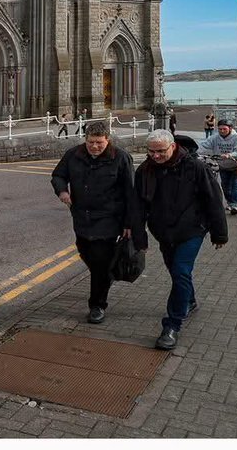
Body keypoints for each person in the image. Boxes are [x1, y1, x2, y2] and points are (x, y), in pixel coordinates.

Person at [133, 128, 228, 350]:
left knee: (180, 271)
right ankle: (189, 300)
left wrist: (219, 233)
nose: (156, 155)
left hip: (192, 230)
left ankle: (172, 325)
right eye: (151, 151)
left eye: (161, 151)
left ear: (173, 146)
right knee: (177, 273)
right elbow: (138, 206)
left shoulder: (195, 167)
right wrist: (139, 237)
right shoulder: (145, 170)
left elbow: (213, 200)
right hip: (163, 232)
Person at [51, 121, 137, 325]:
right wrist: (62, 191)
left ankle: (97, 305)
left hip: (109, 219)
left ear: (108, 140)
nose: (94, 146)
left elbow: (131, 192)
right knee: (86, 253)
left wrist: (129, 223)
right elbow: (58, 175)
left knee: (100, 262)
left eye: (99, 142)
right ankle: (107, 275)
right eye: (91, 142)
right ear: (85, 139)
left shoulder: (121, 158)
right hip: (81, 217)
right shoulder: (73, 155)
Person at [200, 117, 237, 213]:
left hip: (236, 165)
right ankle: (230, 202)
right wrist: (194, 151)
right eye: (220, 129)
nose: (222, 131)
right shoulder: (214, 137)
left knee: (236, 185)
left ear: (230, 128)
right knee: (225, 186)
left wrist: (229, 155)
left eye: (224, 129)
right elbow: (203, 145)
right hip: (222, 165)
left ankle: (235, 205)